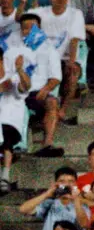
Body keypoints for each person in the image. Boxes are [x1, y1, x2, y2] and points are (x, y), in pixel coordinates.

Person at [27, 0, 85, 120]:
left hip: (64, 59)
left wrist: (71, 62)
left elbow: (74, 40)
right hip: (41, 59)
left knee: (73, 72)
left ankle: (63, 109)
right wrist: (24, 4)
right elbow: (22, 22)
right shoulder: (40, 12)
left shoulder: (75, 14)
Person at [16, 14, 64, 158]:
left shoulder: (50, 49)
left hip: (37, 94)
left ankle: (47, 144)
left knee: (52, 101)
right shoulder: (13, 50)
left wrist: (45, 89)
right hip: (16, 92)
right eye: (25, 28)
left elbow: (56, 77)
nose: (29, 31)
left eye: (33, 28)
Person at [18, 167, 89, 230]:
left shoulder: (82, 207)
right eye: (62, 181)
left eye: (71, 181)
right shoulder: (49, 203)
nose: (66, 185)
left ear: (75, 185)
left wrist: (76, 200)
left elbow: (84, 224)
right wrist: (47, 194)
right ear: (56, 184)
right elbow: (23, 209)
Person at [0, 45, 32, 194]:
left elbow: (25, 87)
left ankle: (4, 177)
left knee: (5, 135)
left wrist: (19, 70)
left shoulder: (12, 77)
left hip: (10, 123)